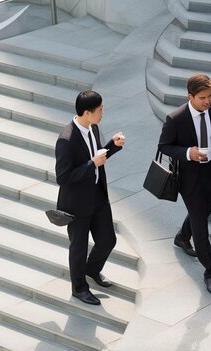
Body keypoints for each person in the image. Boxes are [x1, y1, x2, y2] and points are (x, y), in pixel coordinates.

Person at [158, 73, 211, 296]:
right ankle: (210, 272)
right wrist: (188, 153)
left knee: (202, 213)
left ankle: (182, 237)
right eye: (203, 97)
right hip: (189, 178)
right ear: (190, 96)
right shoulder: (176, 119)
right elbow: (164, 146)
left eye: (210, 96)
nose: (208, 101)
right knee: (201, 226)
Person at [55, 90, 126, 305]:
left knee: (107, 240)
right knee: (78, 247)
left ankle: (91, 270)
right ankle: (79, 288)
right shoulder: (66, 140)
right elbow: (63, 177)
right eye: (100, 110)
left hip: (97, 195)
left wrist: (112, 146)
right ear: (87, 112)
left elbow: (96, 156)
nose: (103, 113)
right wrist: (91, 164)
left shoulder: (92, 128)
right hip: (76, 203)